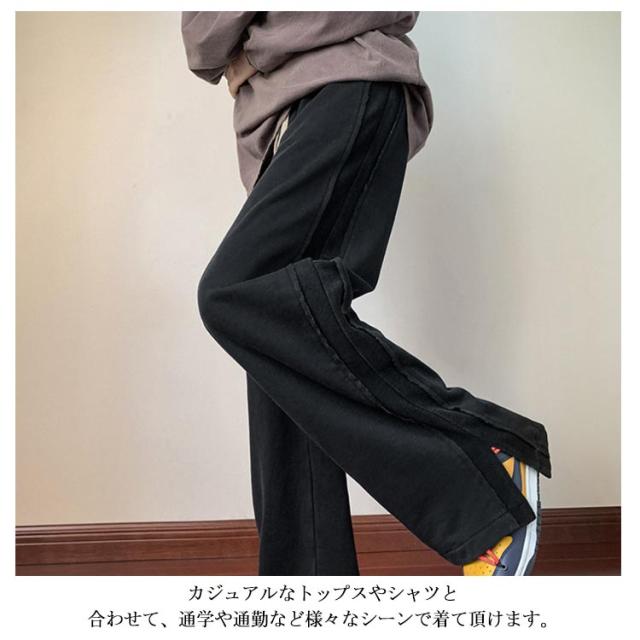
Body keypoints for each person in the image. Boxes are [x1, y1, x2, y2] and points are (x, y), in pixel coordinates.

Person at [180, 11, 552, 576]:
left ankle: (482, 467)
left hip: (344, 87)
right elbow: (203, 41)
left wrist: (252, 49)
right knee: (284, 354)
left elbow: (209, 34)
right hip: (290, 123)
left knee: (236, 293)